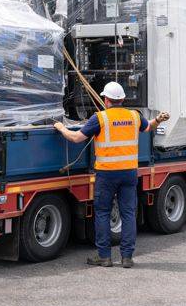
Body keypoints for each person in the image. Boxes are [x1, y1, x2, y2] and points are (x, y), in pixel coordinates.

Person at [54, 81, 169, 268]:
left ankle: (104, 257)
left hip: (107, 174)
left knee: (102, 213)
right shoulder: (134, 116)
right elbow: (149, 127)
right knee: (128, 214)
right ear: (122, 99)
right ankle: (127, 257)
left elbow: (76, 138)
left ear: (106, 99)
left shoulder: (100, 118)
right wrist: (159, 119)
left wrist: (60, 127)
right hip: (129, 173)